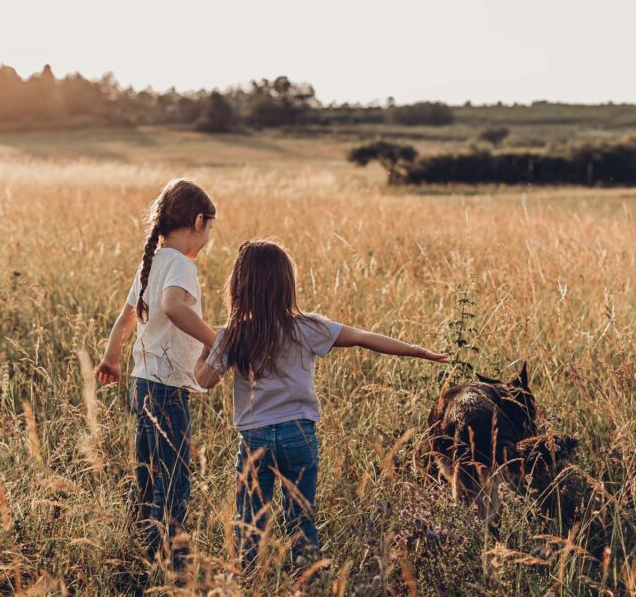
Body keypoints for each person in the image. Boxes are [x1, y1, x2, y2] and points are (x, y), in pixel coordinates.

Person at [195, 239, 448, 569]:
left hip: (254, 440)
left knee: (250, 523)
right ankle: (308, 577)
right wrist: (415, 349)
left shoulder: (233, 334)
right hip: (299, 436)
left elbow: (204, 380)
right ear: (287, 284)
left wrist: (206, 343)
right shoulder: (308, 326)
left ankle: (249, 579)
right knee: (301, 519)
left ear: (240, 286)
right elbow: (363, 337)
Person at [95, 178, 217, 568]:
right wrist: (215, 341)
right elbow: (173, 306)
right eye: (211, 226)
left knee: (146, 472)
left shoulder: (153, 260)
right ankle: (169, 559)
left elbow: (124, 319)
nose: (211, 235)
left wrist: (111, 358)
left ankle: (138, 545)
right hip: (168, 387)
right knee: (175, 478)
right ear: (199, 222)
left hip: (143, 382)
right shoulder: (181, 264)